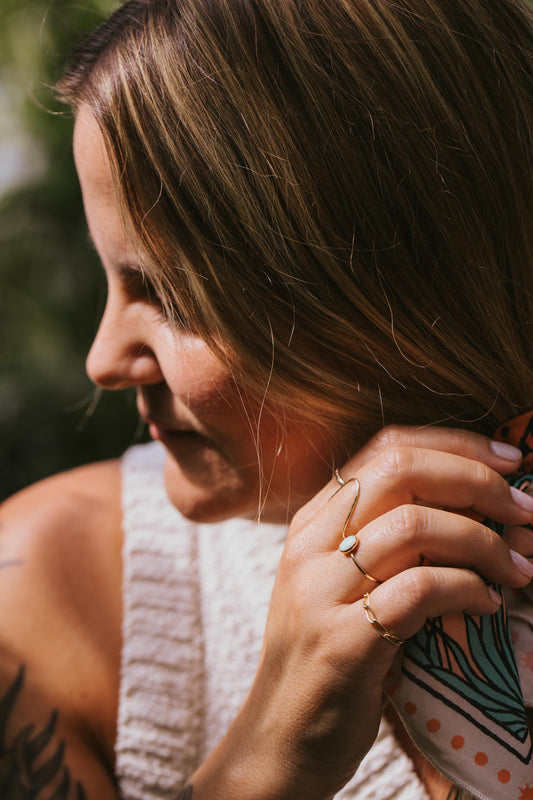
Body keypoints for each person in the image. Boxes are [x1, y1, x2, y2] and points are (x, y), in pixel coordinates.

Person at [1, 0, 533, 798]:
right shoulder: (48, 597)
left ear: (389, 286)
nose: (103, 360)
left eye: (170, 296)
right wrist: (268, 754)